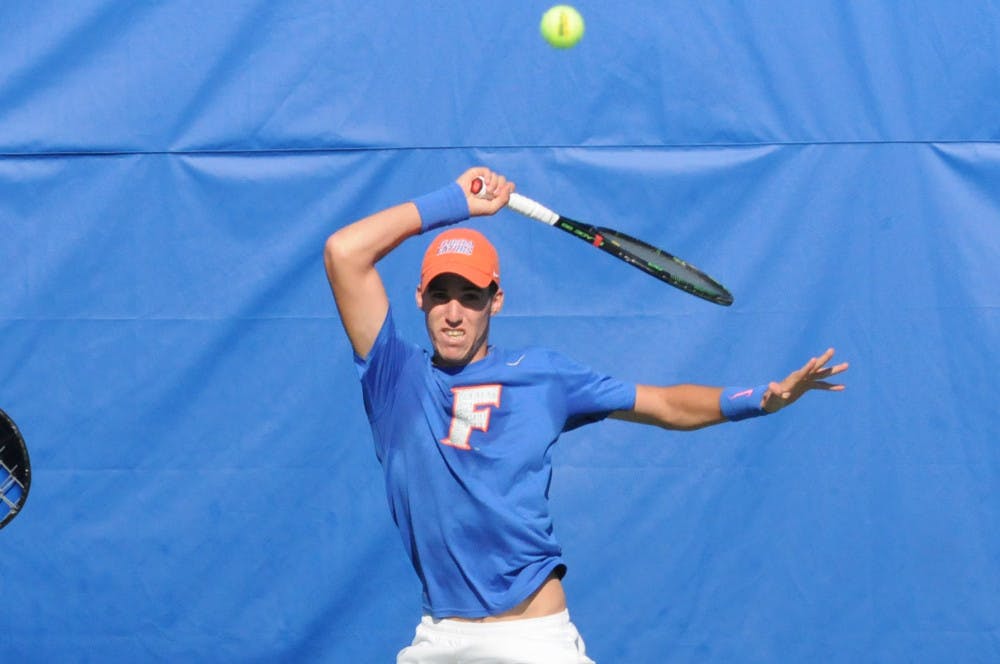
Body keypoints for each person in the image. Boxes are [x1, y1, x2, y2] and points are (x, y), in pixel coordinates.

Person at [324, 167, 848, 664]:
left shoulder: (544, 376)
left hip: (535, 638)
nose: (455, 313)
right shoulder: (393, 376)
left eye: (471, 296)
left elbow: (664, 405)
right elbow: (344, 252)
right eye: (441, 295)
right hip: (441, 636)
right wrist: (455, 203)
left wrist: (761, 398)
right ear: (419, 298)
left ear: (496, 300)